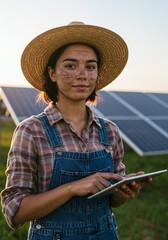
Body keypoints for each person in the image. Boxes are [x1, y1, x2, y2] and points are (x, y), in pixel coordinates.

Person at [1, 21, 151, 240]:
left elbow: (112, 201)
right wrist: (72, 188)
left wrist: (124, 191)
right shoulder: (30, 131)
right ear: (52, 73)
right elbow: (15, 212)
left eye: (90, 67)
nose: (82, 74)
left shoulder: (110, 131)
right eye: (71, 66)